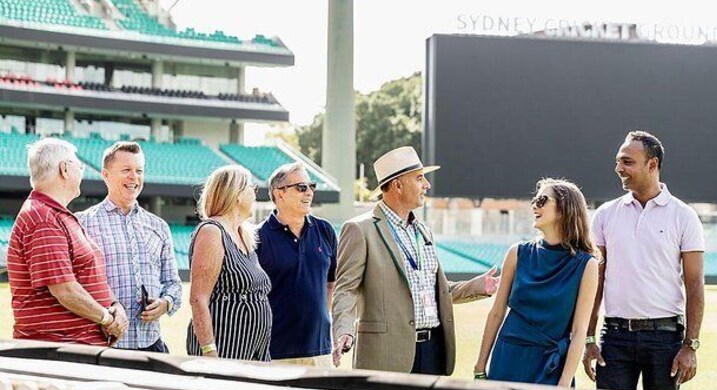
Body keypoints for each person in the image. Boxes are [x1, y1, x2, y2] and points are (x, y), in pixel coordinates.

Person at [332, 146, 499, 374]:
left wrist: (478, 286)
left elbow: (435, 291)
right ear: (398, 185)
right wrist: (344, 330)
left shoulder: (423, 231)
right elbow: (346, 289)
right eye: (420, 178)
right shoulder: (360, 230)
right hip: (386, 355)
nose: (427, 185)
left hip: (433, 351)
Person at [583, 131, 705, 390]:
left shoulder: (684, 216)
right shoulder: (605, 214)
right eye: (618, 161)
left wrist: (690, 345)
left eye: (627, 162)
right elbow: (596, 280)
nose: (618, 168)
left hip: (665, 338)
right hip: (614, 337)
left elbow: (695, 283)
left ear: (652, 164)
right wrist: (589, 338)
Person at [475, 179, 598, 386]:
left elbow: (578, 332)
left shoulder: (586, 265)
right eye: (534, 200)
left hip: (551, 367)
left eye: (542, 200)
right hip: (507, 358)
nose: (534, 205)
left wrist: (565, 382)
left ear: (564, 209)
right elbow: (496, 313)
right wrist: (479, 368)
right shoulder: (517, 253)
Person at [7, 138, 128, 345]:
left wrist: (115, 304)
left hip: (76, 347)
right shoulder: (43, 219)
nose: (82, 171)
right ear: (64, 169)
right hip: (61, 350)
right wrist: (108, 319)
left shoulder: (56, 215)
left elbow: (88, 272)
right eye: (78, 165)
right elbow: (64, 289)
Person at [77, 141, 182, 353]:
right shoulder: (83, 223)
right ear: (106, 175)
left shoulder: (158, 226)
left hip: (151, 344)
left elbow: (173, 284)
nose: (134, 177)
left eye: (139, 170)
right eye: (126, 170)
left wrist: (166, 303)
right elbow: (77, 286)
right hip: (106, 345)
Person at [186, 165, 272, 361]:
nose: (256, 193)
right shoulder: (212, 231)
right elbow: (198, 298)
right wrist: (210, 351)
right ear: (237, 194)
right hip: (225, 348)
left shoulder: (244, 234)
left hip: (254, 351)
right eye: (252, 187)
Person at [257, 162, 337, 366]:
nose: (309, 192)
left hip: (320, 350)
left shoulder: (325, 230)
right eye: (301, 187)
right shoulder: (257, 237)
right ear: (279, 194)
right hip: (274, 351)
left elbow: (331, 282)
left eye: (311, 186)